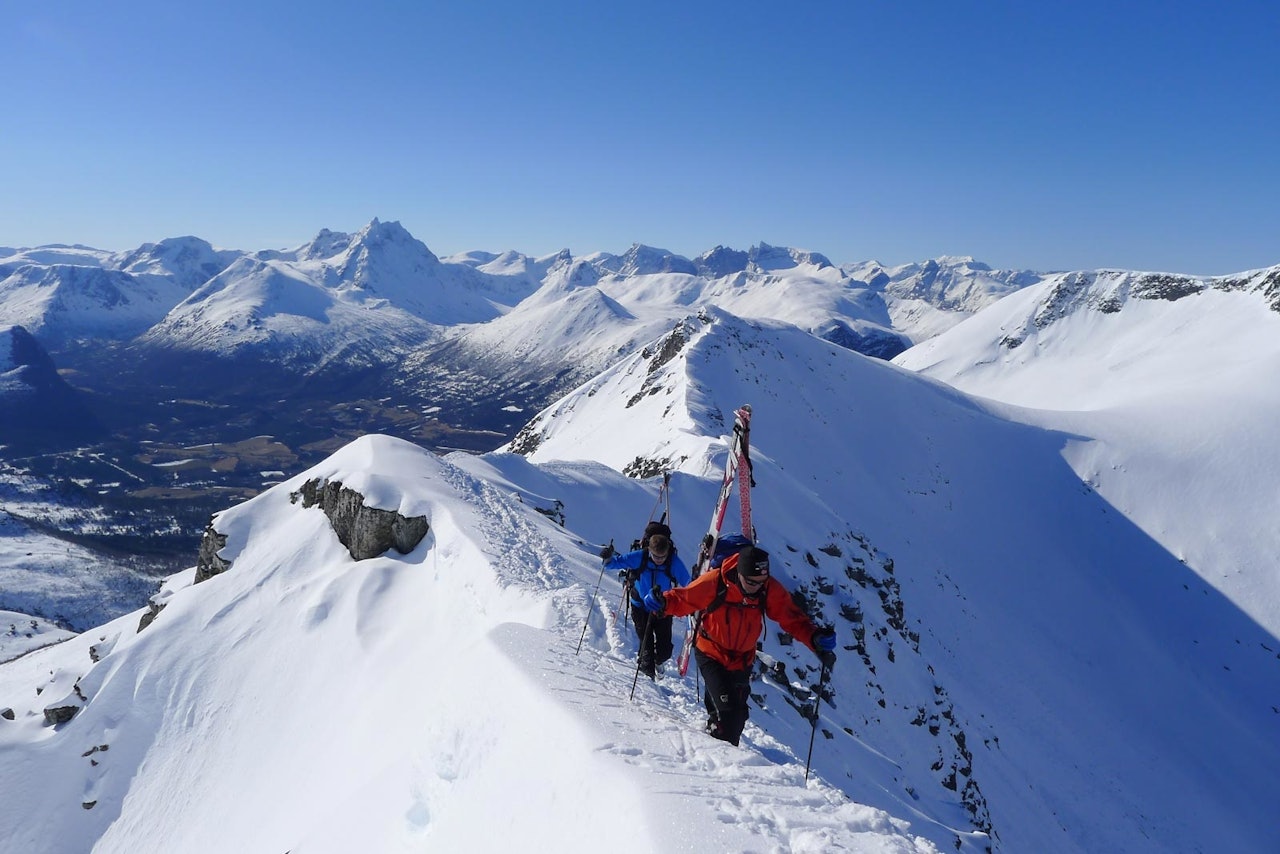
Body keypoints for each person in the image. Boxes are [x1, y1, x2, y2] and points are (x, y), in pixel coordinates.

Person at [645, 543, 836, 746]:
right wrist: (663, 603)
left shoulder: (767, 587)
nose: (758, 587)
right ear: (739, 573)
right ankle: (719, 760)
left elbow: (791, 618)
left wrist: (814, 637)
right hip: (711, 653)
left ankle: (716, 737)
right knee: (730, 716)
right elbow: (685, 599)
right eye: (752, 582)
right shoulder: (715, 582)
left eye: (762, 581)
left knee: (739, 714)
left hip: (742, 660)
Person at [602, 521, 691, 679]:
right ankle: (647, 686)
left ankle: (658, 661)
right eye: (655, 556)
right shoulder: (640, 556)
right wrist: (607, 559)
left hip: (663, 608)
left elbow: (688, 584)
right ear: (648, 549)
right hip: (640, 607)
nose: (659, 559)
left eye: (662, 557)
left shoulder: (673, 561)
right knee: (646, 649)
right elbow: (617, 563)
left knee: (665, 650)